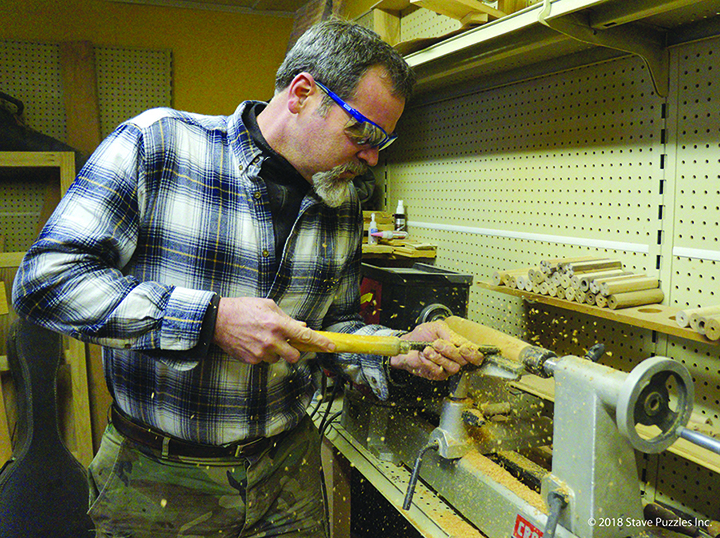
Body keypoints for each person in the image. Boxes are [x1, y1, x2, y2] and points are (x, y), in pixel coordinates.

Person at [12, 18, 483, 538]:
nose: (371, 156)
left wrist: (396, 349)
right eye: (362, 132)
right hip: (157, 479)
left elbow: (334, 329)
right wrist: (209, 320)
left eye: (382, 141)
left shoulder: (341, 198)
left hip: (288, 474)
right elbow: (44, 281)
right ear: (303, 94)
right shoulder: (158, 144)